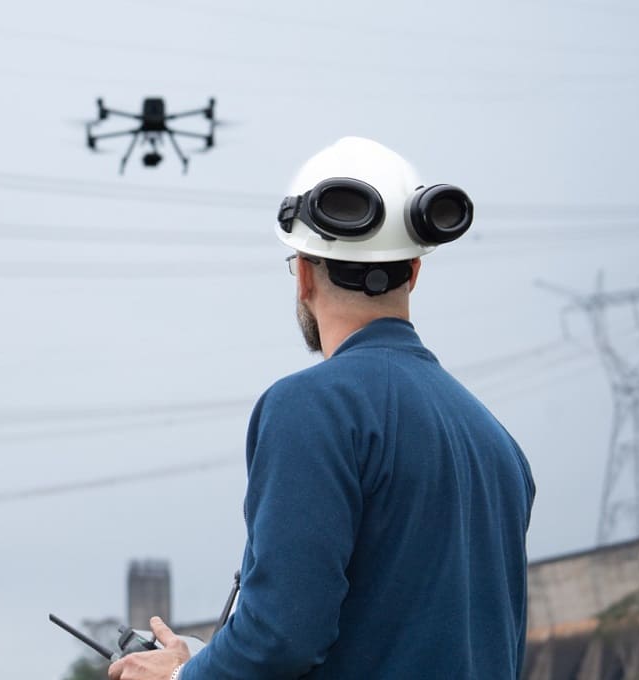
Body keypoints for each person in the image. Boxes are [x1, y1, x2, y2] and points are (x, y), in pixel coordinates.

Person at [108, 137, 536, 680]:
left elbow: (281, 638)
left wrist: (177, 678)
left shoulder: (311, 408)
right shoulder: (496, 443)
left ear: (305, 273)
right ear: (415, 272)